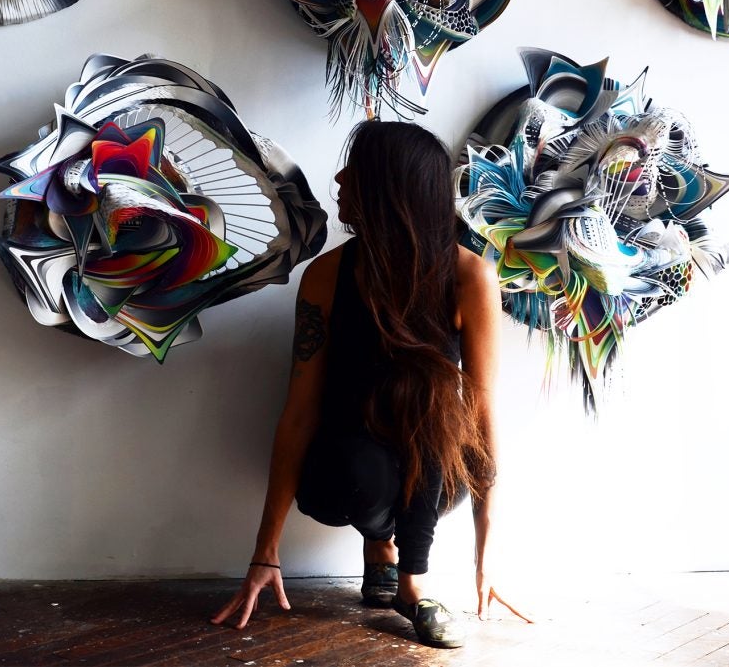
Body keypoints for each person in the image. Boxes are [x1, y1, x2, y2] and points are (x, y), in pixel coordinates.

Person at [210, 120, 530, 648]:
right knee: (369, 468)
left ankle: (412, 584)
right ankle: (380, 542)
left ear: (390, 189)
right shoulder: (327, 276)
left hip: (434, 469)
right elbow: (300, 411)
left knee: (435, 408)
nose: (338, 179)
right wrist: (265, 552)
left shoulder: (469, 276)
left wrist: (486, 552)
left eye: (354, 170)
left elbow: (481, 408)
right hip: (343, 472)